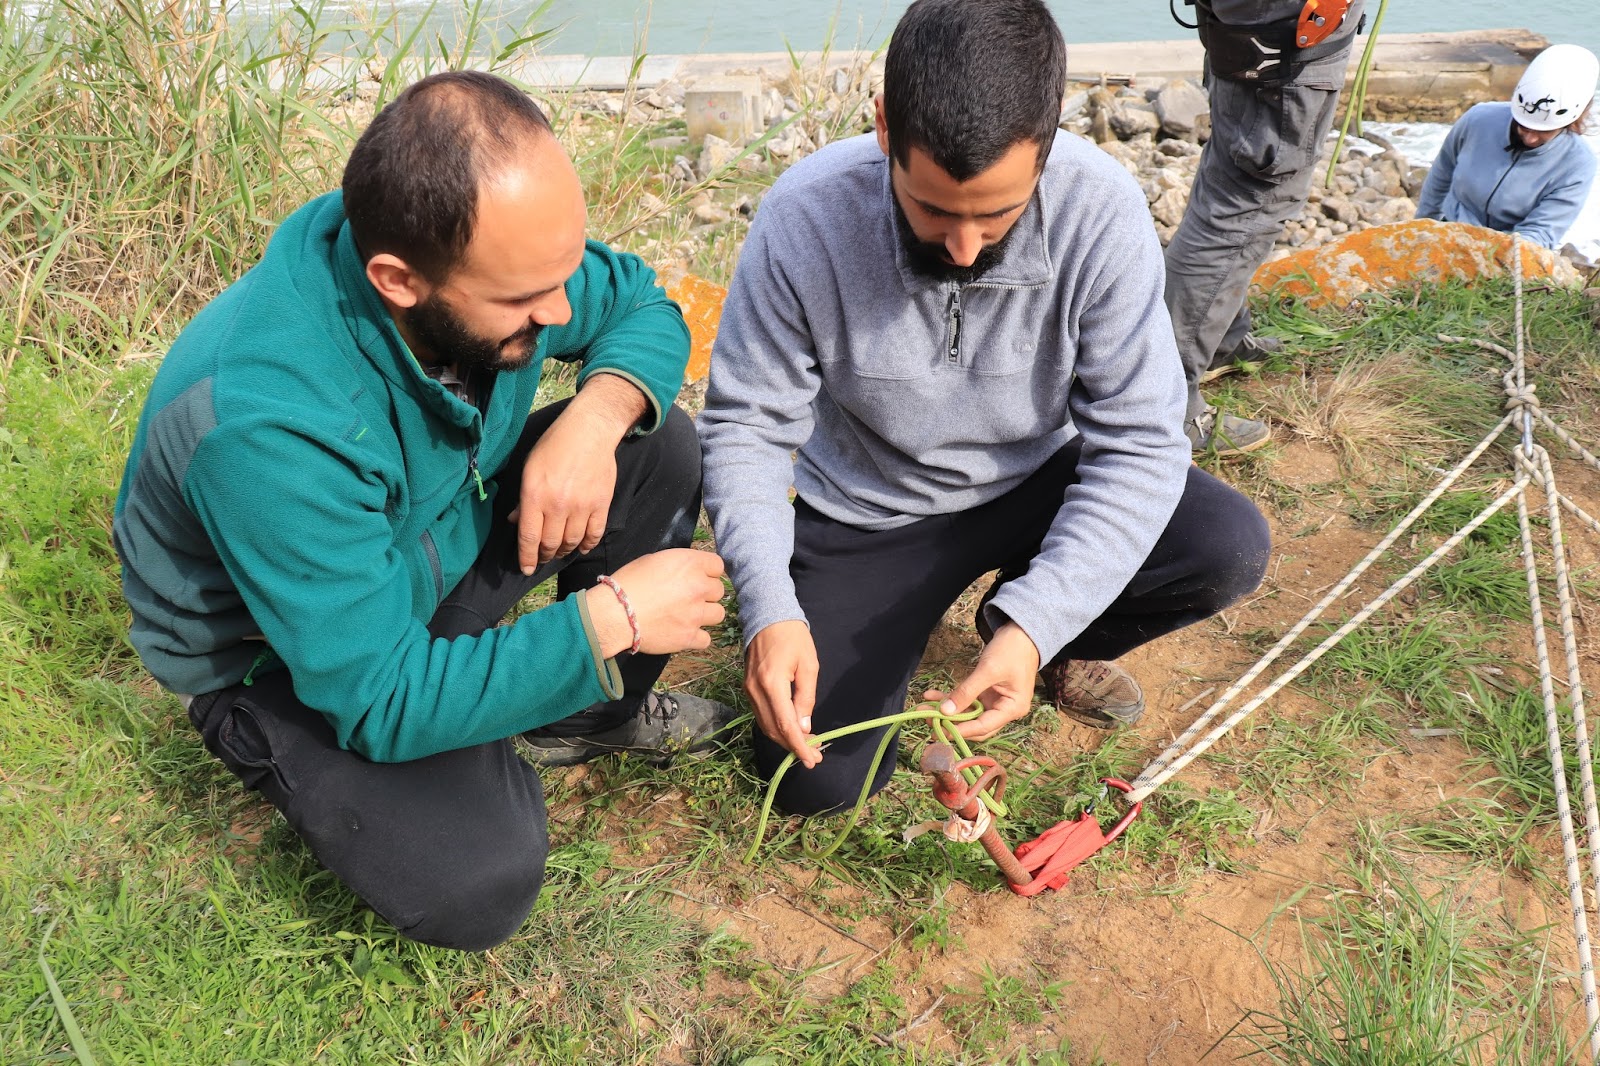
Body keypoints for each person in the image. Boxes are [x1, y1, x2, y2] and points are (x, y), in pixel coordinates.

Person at [113, 71, 735, 951]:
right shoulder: (266, 424)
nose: (560, 312)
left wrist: (595, 420)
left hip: (432, 538)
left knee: (654, 442)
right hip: (280, 655)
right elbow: (380, 698)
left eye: (562, 276)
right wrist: (611, 621)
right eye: (524, 300)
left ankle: (578, 718)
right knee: (477, 877)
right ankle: (436, 728)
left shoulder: (490, 261)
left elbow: (640, 301)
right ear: (398, 280)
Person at [698, 0, 1272, 817]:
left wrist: (1036, 625)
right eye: (932, 209)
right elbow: (746, 427)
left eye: (997, 214)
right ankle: (928, 620)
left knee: (1223, 545)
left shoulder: (1101, 210)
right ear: (885, 127)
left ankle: (1045, 635)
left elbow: (1141, 447)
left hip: (1040, 477)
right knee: (813, 785)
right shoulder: (806, 216)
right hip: (872, 511)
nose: (964, 248)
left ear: (1048, 143)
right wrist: (768, 607)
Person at [1164, 0, 1367, 455]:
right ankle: (1163, 402)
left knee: (1231, 188)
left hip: (1262, 30)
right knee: (1244, 207)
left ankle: (1220, 339)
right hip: (1283, 37)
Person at [1416, 43, 1599, 251]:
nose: (1530, 138)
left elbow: (1543, 230)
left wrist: (1493, 257)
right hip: (1448, 231)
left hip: (1509, 252)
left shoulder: (1578, 163)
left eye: (1544, 131)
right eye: (1524, 126)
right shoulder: (1478, 119)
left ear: (1572, 120)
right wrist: (1422, 227)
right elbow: (1442, 173)